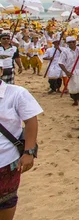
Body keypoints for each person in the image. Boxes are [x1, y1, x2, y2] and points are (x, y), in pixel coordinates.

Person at [0, 70, 42, 220]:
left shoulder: (17, 94)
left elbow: (31, 121)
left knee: (6, 203)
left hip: (6, 160)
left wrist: (29, 152)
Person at [58, 36, 79, 106]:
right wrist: (66, 72)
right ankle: (75, 100)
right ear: (67, 43)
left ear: (75, 42)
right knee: (74, 86)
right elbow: (60, 63)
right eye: (70, 42)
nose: (72, 43)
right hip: (71, 71)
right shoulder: (65, 52)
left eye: (73, 42)